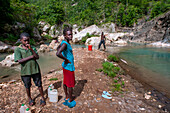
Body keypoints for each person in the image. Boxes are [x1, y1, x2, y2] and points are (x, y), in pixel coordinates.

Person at [14, 33, 46, 106]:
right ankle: (30, 98)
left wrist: (31, 49)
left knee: (39, 84)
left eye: (28, 40)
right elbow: (20, 60)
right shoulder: (18, 49)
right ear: (21, 40)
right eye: (25, 41)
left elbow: (37, 57)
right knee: (27, 86)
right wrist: (31, 56)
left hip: (35, 69)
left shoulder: (32, 48)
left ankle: (42, 98)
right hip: (25, 71)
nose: (27, 42)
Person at [56, 27, 76, 108]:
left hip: (65, 66)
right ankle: (70, 99)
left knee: (65, 82)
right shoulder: (65, 44)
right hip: (68, 66)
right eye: (69, 35)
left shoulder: (64, 42)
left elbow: (58, 49)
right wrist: (66, 59)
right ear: (65, 35)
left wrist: (65, 59)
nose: (71, 36)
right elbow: (58, 53)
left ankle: (67, 96)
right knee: (70, 84)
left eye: (71, 34)